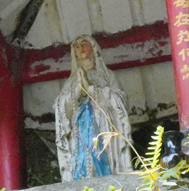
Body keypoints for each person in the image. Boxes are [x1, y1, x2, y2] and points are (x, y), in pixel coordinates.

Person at [54, 36, 133, 181]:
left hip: (103, 125)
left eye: (85, 44)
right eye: (76, 47)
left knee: (104, 158)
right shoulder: (70, 82)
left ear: (94, 48)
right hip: (79, 130)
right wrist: (77, 91)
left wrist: (91, 88)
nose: (81, 48)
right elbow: (61, 109)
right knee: (82, 162)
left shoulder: (107, 76)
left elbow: (120, 101)